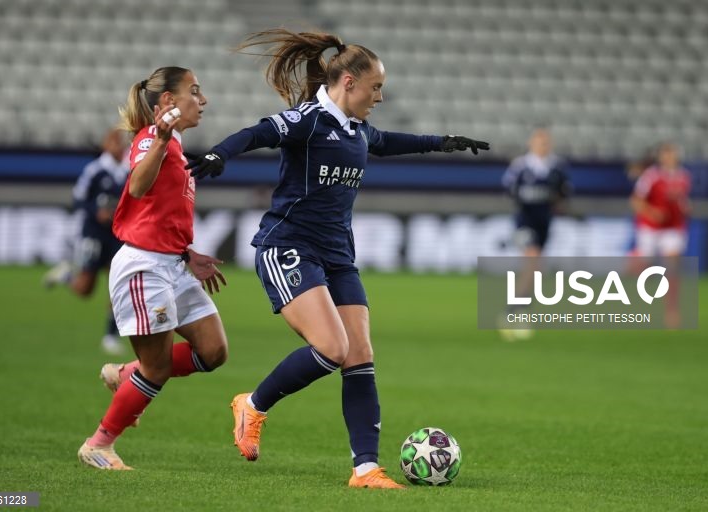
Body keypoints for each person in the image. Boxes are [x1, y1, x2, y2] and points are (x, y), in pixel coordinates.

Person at [185, 29, 489, 489]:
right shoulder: (309, 120)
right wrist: (219, 153)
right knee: (332, 348)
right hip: (288, 247)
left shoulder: (356, 129)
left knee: (360, 355)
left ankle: (365, 469)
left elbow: (387, 141)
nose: (380, 97)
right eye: (375, 87)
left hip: (338, 255)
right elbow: (258, 132)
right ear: (349, 82)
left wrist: (441, 141)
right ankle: (253, 404)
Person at [77, 66, 228, 470]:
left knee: (213, 351)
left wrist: (187, 253)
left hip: (173, 264)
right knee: (157, 368)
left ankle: (127, 374)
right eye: (194, 91)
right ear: (167, 101)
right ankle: (99, 444)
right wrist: (159, 139)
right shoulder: (151, 139)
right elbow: (138, 186)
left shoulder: (175, 146)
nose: (203, 100)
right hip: (144, 267)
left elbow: (160, 213)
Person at [42, 128, 130, 355]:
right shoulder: (95, 170)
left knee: (118, 285)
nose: (119, 146)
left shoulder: (128, 170)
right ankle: (66, 276)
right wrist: (96, 211)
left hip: (118, 235)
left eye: (121, 142)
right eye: (115, 142)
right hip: (94, 234)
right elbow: (79, 198)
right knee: (85, 289)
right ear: (106, 145)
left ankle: (110, 336)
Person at [499, 128, 571, 341]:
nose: (543, 146)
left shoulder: (557, 167)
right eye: (540, 142)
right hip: (525, 221)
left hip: (544, 223)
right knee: (532, 260)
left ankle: (517, 309)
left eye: (546, 142)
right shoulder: (521, 166)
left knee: (534, 270)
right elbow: (509, 190)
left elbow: (563, 193)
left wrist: (558, 204)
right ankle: (515, 312)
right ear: (531, 143)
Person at [629, 141, 691, 327]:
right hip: (650, 228)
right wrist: (651, 212)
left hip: (673, 227)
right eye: (666, 154)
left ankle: (671, 311)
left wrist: (686, 208)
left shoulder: (683, 176)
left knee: (672, 267)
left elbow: (682, 201)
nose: (669, 157)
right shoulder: (651, 176)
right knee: (642, 267)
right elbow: (636, 201)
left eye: (672, 153)